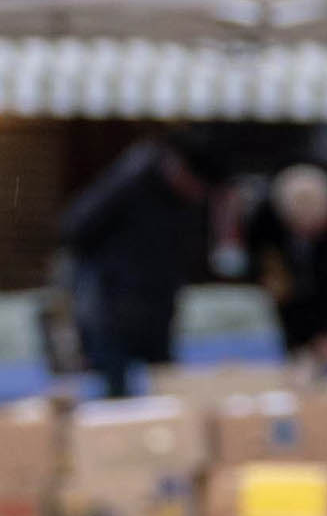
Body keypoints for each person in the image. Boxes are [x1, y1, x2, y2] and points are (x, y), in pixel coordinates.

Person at [55, 137, 213, 395]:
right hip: (111, 313)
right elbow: (74, 228)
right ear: (180, 169)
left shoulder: (182, 202)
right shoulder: (130, 181)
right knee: (116, 397)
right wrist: (114, 273)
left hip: (157, 313)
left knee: (166, 394)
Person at [241, 158, 327, 375]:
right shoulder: (266, 221)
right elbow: (257, 261)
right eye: (299, 227)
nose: (307, 233)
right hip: (294, 309)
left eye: (315, 227)